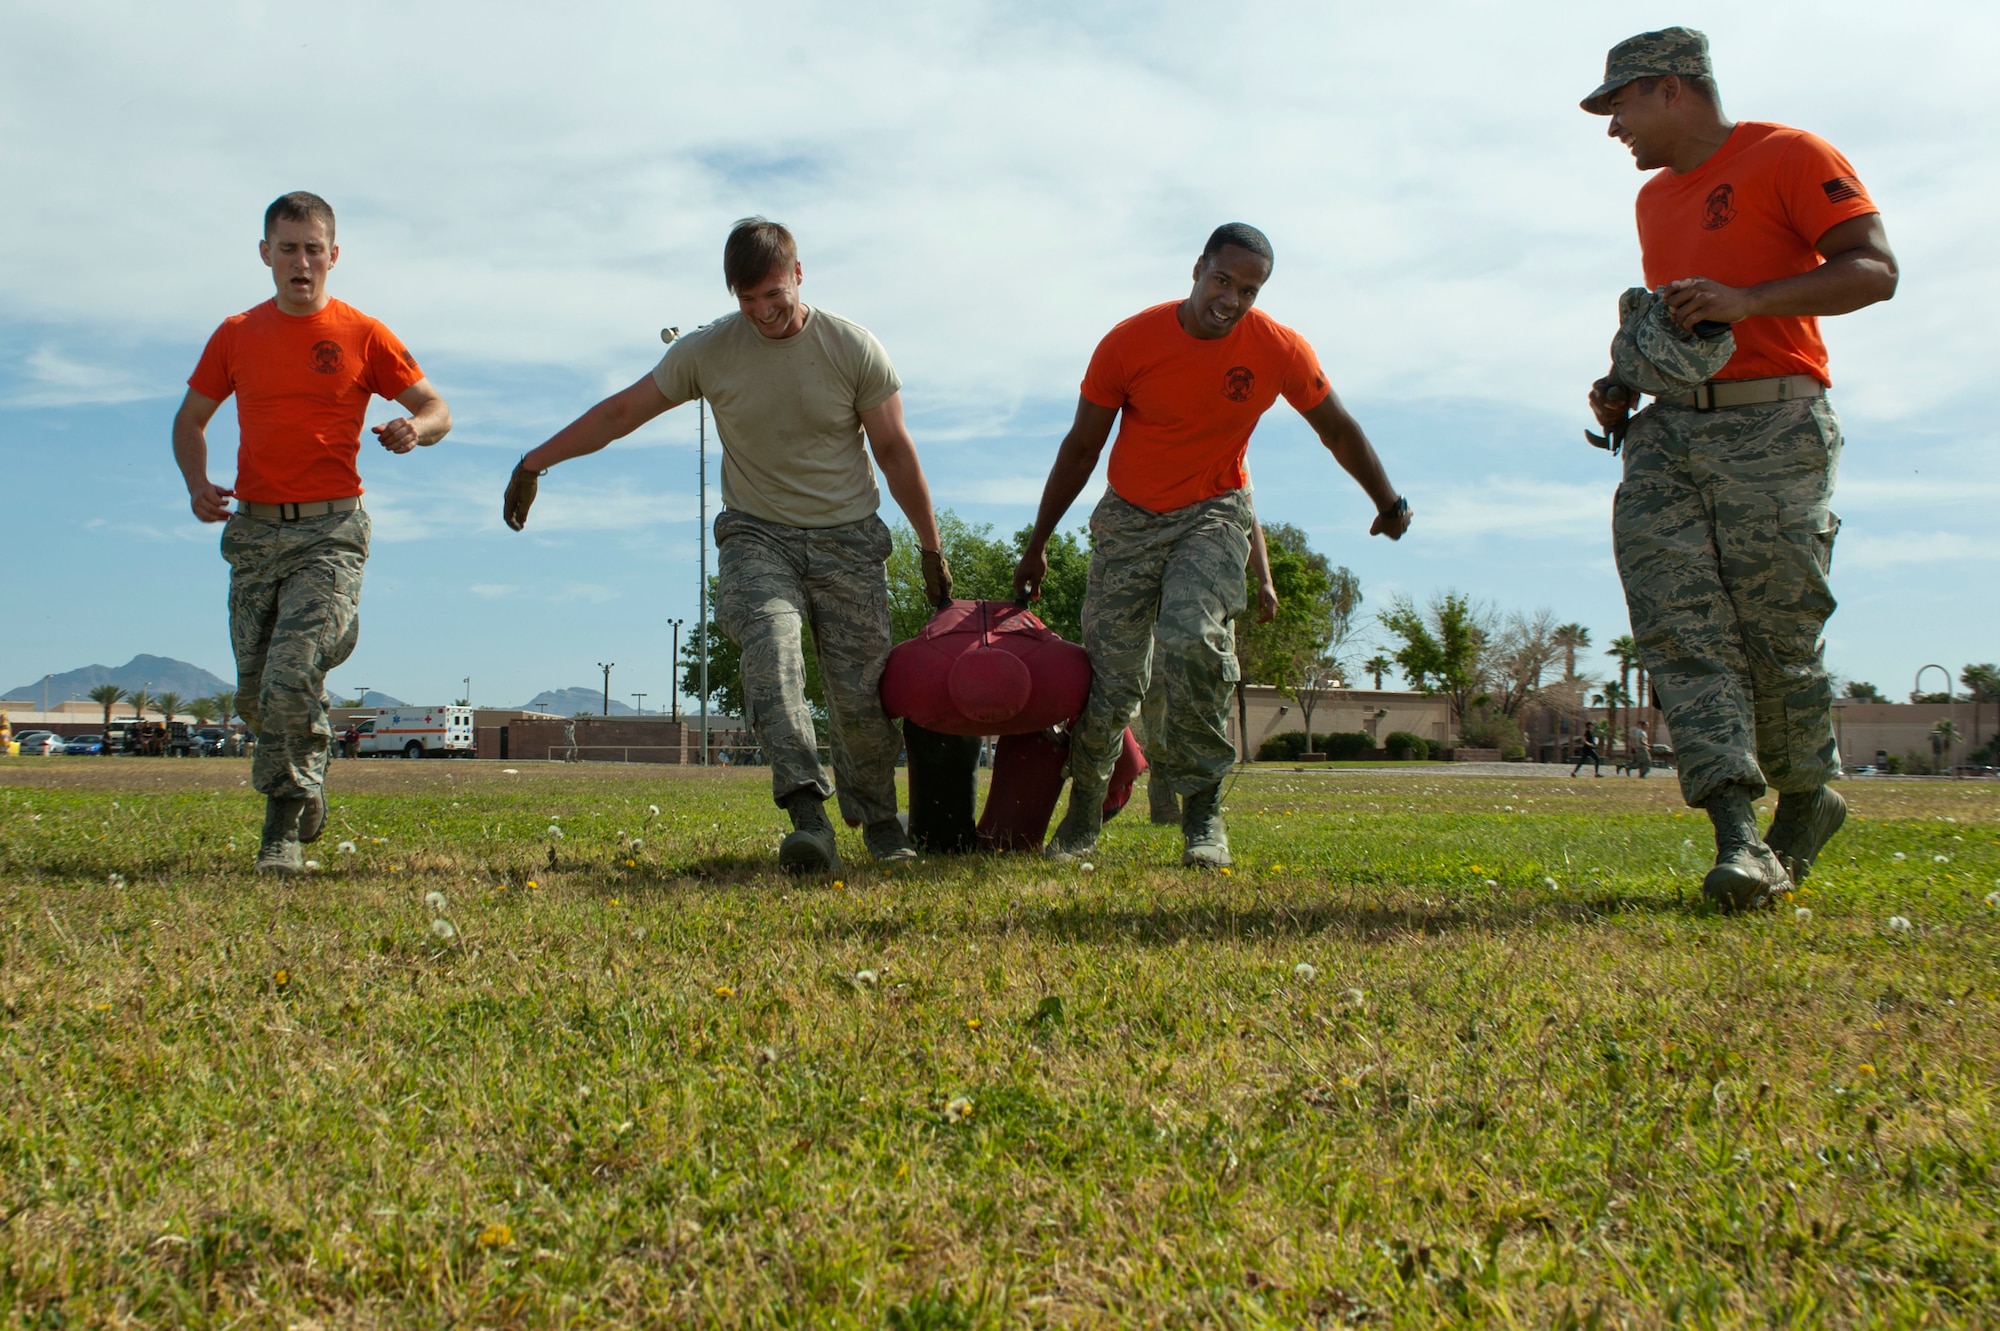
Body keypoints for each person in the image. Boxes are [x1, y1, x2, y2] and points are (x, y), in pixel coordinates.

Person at [504, 217, 951, 874]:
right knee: (772, 652)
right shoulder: (709, 351)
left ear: (799, 275)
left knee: (860, 694)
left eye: (775, 295)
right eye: (749, 303)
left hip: (849, 540)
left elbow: (893, 450)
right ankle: (807, 815)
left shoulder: (853, 347)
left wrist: (930, 548)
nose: (765, 313)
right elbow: (623, 410)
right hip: (756, 535)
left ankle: (881, 821)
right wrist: (534, 461)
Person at [1582, 29, 1896, 909]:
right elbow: (1681, 329)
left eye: (1621, 106)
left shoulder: (1790, 156)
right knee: (1680, 633)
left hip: (1776, 429)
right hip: (1669, 436)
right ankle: (1737, 837)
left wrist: (1751, 301)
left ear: (1672, 89)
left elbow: (1875, 270)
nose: (1614, 130)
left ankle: (1807, 799)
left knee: (1777, 639)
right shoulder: (1653, 202)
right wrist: (1622, 383)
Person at [1014, 223, 1410, 868]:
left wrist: (1387, 501)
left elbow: (1337, 429)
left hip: (1214, 512)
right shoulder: (1128, 342)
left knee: (1191, 640)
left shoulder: (1279, 349)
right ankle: (1084, 811)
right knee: (1113, 681)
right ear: (1198, 268)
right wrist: (1037, 543)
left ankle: (1202, 814)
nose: (1231, 299)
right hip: (1129, 520)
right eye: (1223, 281)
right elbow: (1081, 447)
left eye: (1249, 290)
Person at [173, 192, 451, 875]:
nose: (302, 261)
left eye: (314, 248)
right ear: (266, 254)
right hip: (254, 533)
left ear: (334, 254)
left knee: (292, 671)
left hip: (332, 531)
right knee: (255, 693)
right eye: (288, 247)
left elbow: (436, 406)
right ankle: (309, 756)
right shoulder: (236, 334)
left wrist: (415, 428)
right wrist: (197, 483)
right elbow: (190, 421)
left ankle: (284, 823)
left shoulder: (362, 333)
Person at [1142, 518, 1278, 825]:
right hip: (1161, 605)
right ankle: (1161, 785)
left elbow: (1249, 520)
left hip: (1210, 602)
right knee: (1157, 696)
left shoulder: (1233, 477)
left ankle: (1203, 804)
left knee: (1207, 694)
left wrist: (1265, 580)